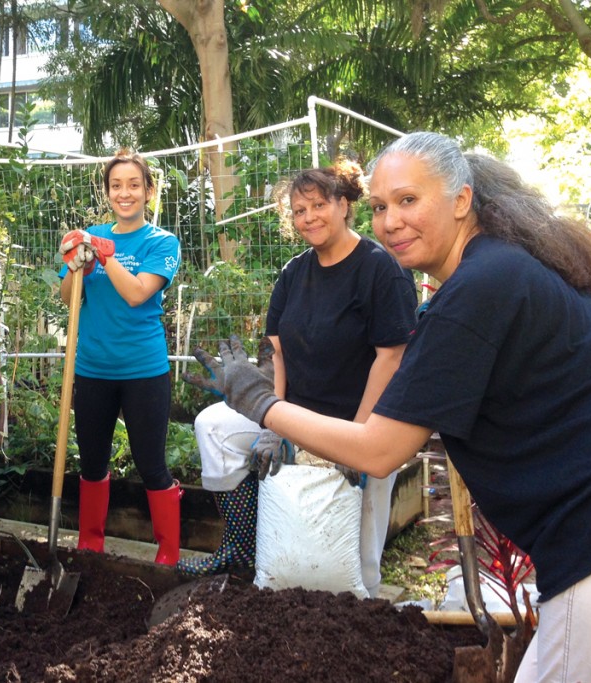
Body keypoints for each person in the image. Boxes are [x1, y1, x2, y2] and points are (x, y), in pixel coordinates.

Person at [187, 131, 591, 682]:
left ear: (461, 200)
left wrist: (258, 403)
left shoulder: (478, 288)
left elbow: (380, 451)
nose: (390, 221)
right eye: (381, 206)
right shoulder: (502, 268)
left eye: (408, 200)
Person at [177, 160, 418, 599]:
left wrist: (359, 437)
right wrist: (272, 422)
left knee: (359, 567)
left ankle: (362, 609)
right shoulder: (293, 273)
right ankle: (239, 547)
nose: (308, 218)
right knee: (213, 426)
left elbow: (392, 356)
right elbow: (277, 352)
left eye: (318, 205)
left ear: (344, 205)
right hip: (295, 410)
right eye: (298, 210)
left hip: (360, 420)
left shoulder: (380, 270)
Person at [57, 149, 182, 564]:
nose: (124, 193)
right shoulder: (91, 235)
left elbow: (135, 294)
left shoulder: (161, 242)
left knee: (151, 465)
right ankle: (90, 543)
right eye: (116, 186)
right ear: (107, 191)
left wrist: (104, 256)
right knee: (91, 463)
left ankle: (167, 553)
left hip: (144, 370)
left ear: (148, 191)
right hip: (93, 369)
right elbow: (68, 299)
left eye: (133, 185)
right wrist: (78, 266)